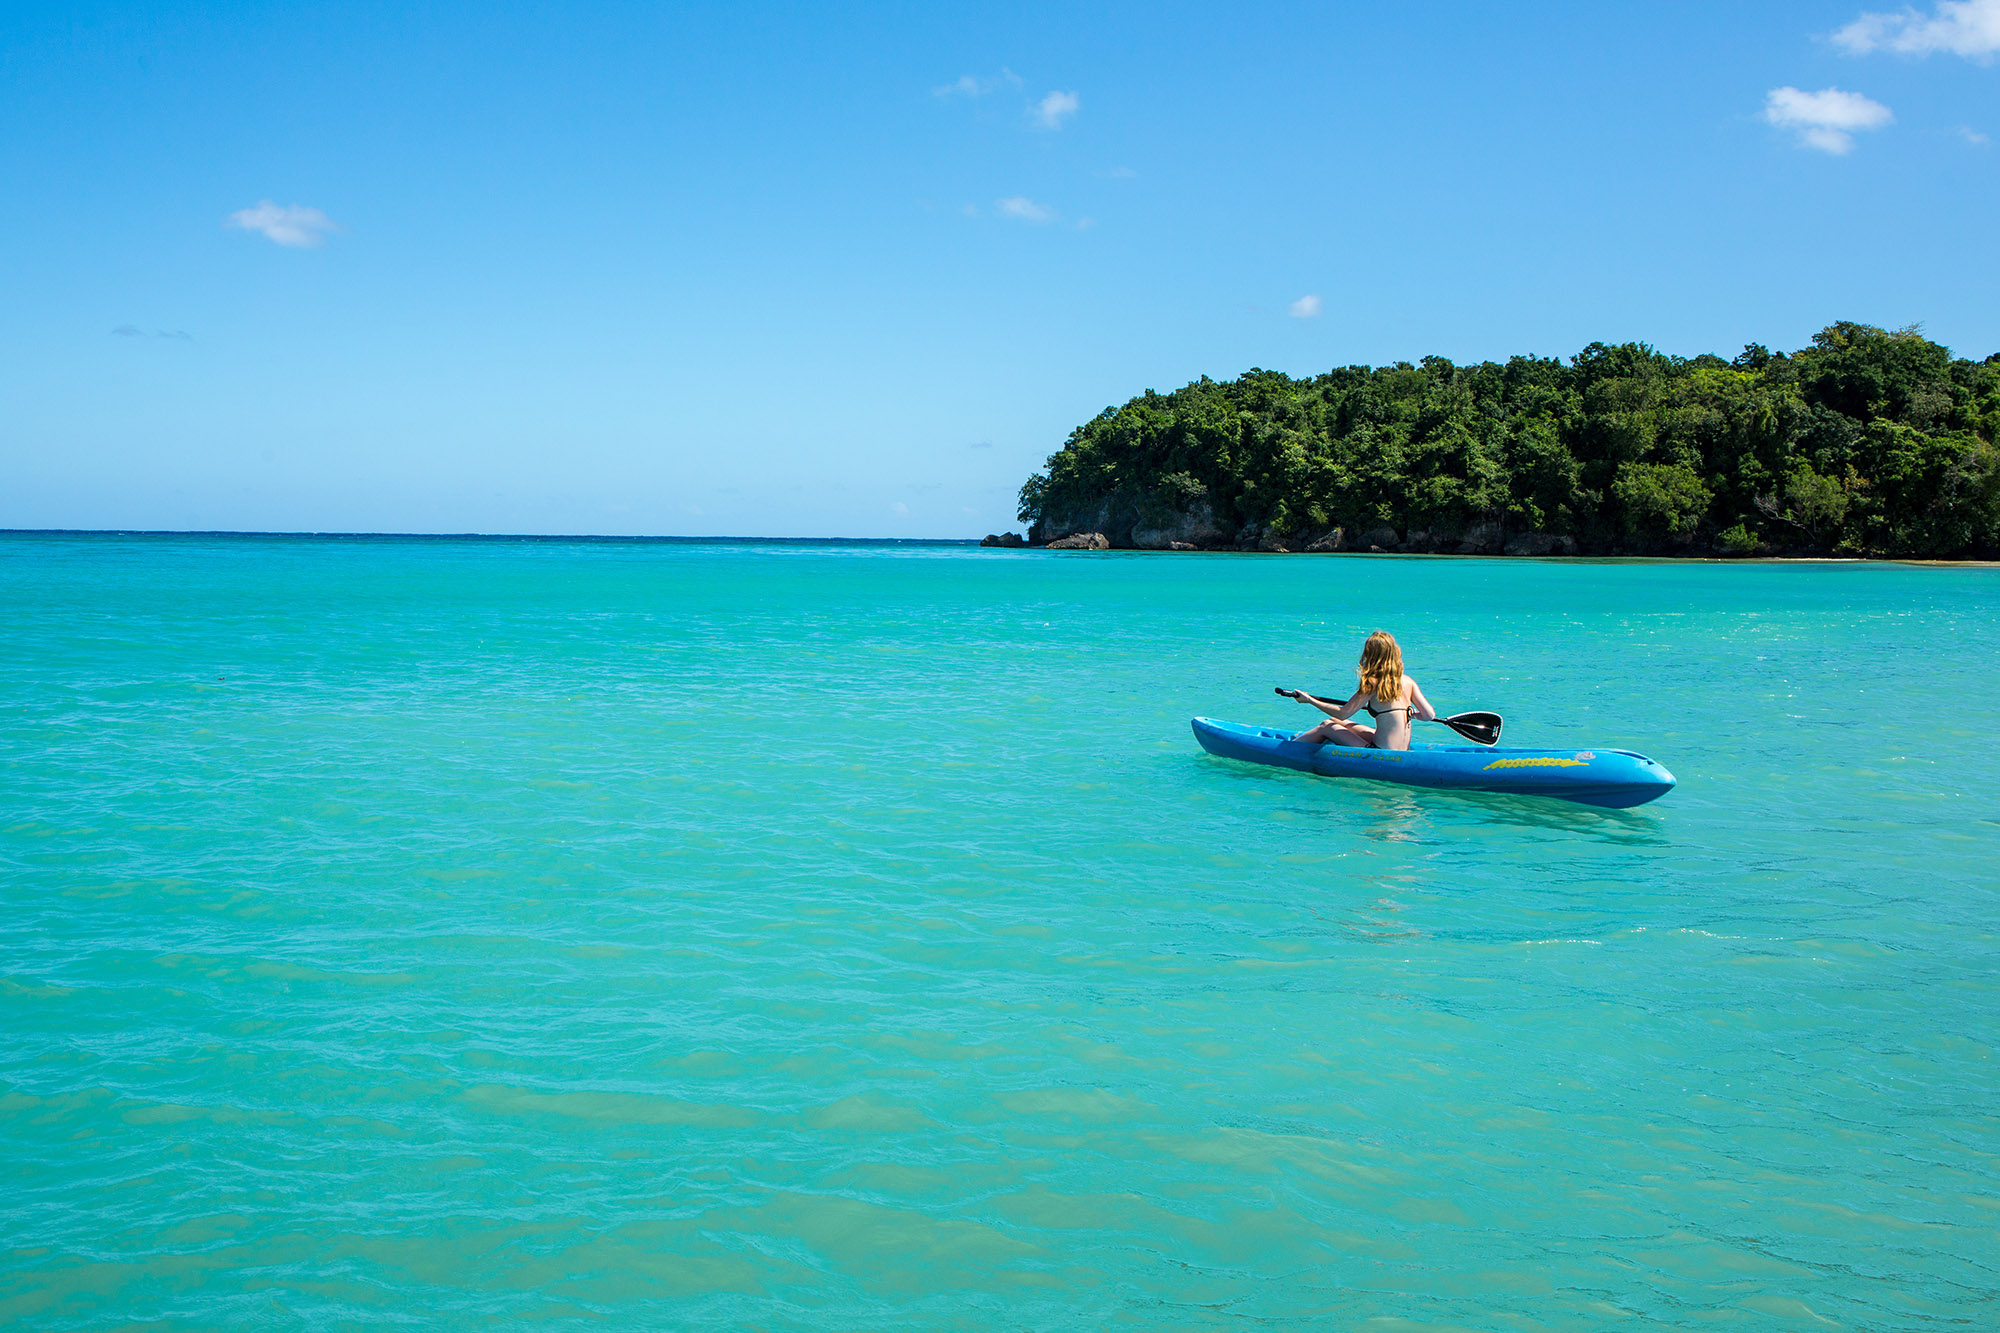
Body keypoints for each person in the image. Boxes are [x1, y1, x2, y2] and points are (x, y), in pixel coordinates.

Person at [1286, 631, 1437, 750]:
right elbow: (1429, 715)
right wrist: (1411, 714)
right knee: (1336, 722)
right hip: (1402, 750)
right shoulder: (1408, 681)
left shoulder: (1373, 682)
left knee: (1327, 725)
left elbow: (1343, 713)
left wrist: (1310, 700)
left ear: (1371, 656)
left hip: (1380, 752)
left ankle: (1287, 750)